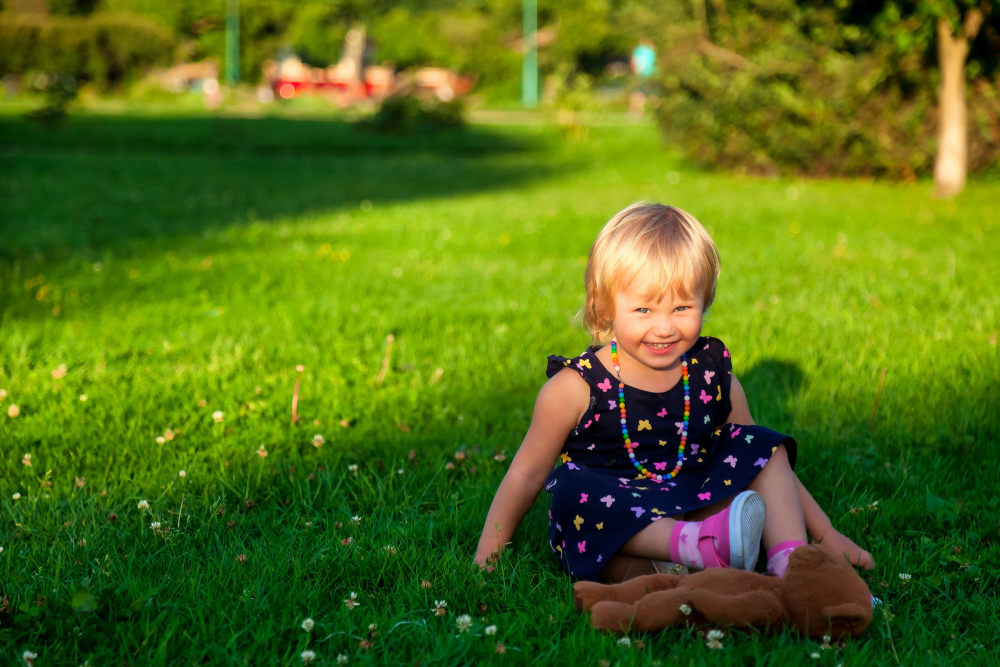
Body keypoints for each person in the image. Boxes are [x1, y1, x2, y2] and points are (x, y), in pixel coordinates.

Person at [474, 203, 873, 582]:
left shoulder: (712, 375)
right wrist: (487, 557)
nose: (664, 328)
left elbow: (760, 461)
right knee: (571, 491)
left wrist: (826, 533)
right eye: (644, 310)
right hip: (619, 524)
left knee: (760, 442)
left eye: (681, 308)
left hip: (695, 505)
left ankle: (792, 562)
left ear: (706, 301)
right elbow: (526, 474)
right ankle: (695, 562)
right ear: (605, 305)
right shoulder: (574, 388)